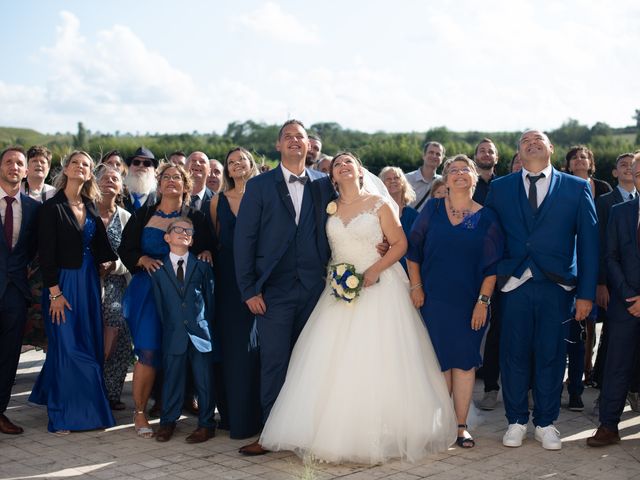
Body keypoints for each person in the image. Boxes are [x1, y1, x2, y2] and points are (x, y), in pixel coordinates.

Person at [261, 152, 457, 464]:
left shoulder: (378, 203)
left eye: (349, 162)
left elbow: (400, 244)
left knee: (378, 358)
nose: (343, 166)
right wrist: (335, 277)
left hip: (378, 285)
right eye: (337, 165)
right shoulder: (330, 208)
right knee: (331, 360)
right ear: (333, 177)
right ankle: (328, 431)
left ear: (360, 171)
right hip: (338, 290)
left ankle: (385, 430)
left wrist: (376, 269)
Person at [485, 130, 598, 450]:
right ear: (519, 152)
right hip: (514, 285)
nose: (531, 143)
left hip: (557, 286)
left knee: (552, 354)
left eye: (538, 140)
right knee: (513, 354)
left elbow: (589, 244)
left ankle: (546, 423)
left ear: (550, 148)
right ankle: (517, 421)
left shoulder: (576, 188)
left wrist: (586, 293)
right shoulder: (500, 187)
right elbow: (488, 238)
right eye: (524, 141)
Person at [234, 120, 337, 455]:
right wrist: (249, 289)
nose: (295, 141)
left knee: (310, 363)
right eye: (288, 137)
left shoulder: (324, 184)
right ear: (278, 145)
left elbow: (341, 223)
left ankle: (306, 434)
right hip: (272, 291)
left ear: (309, 146)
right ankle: (271, 434)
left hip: (315, 289)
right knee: (274, 362)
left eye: (301, 137)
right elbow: (244, 239)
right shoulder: (260, 186)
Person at [407, 155, 504, 448]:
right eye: (454, 170)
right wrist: (416, 286)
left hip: (469, 304)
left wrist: (483, 302)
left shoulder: (487, 217)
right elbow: (414, 251)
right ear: (446, 179)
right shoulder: (433, 209)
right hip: (433, 300)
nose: (460, 174)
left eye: (466, 170)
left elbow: (493, 267)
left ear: (475, 178)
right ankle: (439, 426)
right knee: (437, 364)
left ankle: (460, 427)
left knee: (463, 365)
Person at [119, 163, 213, 438]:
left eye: (178, 178)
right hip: (148, 290)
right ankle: (140, 412)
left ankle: (175, 405)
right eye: (167, 177)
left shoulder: (196, 217)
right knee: (149, 349)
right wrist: (141, 259)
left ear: (186, 186)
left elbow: (208, 244)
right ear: (159, 185)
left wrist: (207, 252)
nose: (172, 181)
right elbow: (126, 247)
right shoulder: (143, 215)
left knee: (180, 348)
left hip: (183, 294)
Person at [29, 150, 117, 435]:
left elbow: (104, 247)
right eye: (75, 163)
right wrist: (54, 293)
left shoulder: (91, 205)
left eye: (86, 165)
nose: (80, 167)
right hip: (62, 286)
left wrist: (111, 261)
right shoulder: (50, 208)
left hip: (89, 284)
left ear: (91, 173)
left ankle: (89, 410)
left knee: (88, 345)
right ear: (66, 169)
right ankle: (64, 414)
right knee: (69, 349)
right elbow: (46, 255)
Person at [587, 155, 640, 447]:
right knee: (616, 366)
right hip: (625, 303)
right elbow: (611, 257)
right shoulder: (620, 212)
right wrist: (629, 294)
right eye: (638, 174)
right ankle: (608, 426)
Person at [209, 147, 261, 439]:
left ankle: (258, 414)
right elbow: (214, 240)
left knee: (258, 348)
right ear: (227, 171)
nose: (237, 164)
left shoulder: (264, 196)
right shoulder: (218, 201)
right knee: (232, 347)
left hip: (259, 277)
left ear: (251, 164)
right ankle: (232, 415)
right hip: (228, 281)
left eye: (242, 159)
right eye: (231, 162)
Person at [150, 217, 216, 444]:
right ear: (167, 237)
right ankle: (167, 422)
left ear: (192, 239)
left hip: (200, 334)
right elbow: (160, 307)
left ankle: (207, 424)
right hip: (174, 333)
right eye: (177, 229)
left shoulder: (202, 266)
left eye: (188, 230)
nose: (183, 232)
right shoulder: (158, 271)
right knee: (172, 380)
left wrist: (206, 327)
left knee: (204, 380)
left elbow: (210, 299)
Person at [564, 145, 612, 407]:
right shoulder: (562, 186)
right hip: (568, 265)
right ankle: (569, 384)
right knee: (569, 328)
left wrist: (600, 277)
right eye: (575, 157)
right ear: (568, 164)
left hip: (594, 265)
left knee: (588, 328)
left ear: (591, 162)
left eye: (584, 156)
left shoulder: (603, 189)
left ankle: (584, 376)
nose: (580, 160)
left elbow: (604, 234)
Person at [0, 146, 40, 435]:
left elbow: (35, 250)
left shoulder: (34, 209)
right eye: (8, 162)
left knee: (9, 354)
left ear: (26, 171)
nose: (14, 166)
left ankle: (0, 412)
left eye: (19, 163)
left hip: (15, 291)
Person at [95, 165, 133, 411]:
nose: (109, 181)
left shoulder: (126, 218)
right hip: (87, 283)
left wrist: (114, 265)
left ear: (120, 187)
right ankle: (90, 388)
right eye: (104, 177)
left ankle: (111, 393)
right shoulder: (84, 211)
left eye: (115, 178)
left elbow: (131, 255)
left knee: (118, 332)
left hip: (118, 284)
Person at [21, 146, 55, 350]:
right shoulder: (16, 189)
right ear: (26, 167)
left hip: (44, 264)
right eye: (34, 161)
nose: (39, 164)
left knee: (43, 312)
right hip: (18, 260)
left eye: (44, 162)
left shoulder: (54, 193)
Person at [379, 166, 418, 272]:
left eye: (396, 178)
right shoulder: (375, 213)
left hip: (407, 270)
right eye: (388, 179)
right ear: (381, 184)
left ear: (403, 182)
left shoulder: (413, 216)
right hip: (381, 268)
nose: (393, 181)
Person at [406, 141, 444, 211]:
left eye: (438, 154)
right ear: (423, 155)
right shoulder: (407, 179)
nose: (434, 156)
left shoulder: (443, 182)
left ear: (441, 159)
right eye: (431, 152)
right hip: (411, 221)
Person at [123, 147, 158, 213]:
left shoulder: (160, 200)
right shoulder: (118, 196)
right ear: (129, 168)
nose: (141, 166)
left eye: (147, 163)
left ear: (155, 171)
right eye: (136, 162)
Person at [472, 138, 499, 205]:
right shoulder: (468, 184)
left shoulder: (504, 185)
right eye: (482, 151)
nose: (487, 154)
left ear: (496, 159)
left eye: (490, 152)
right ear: (475, 158)